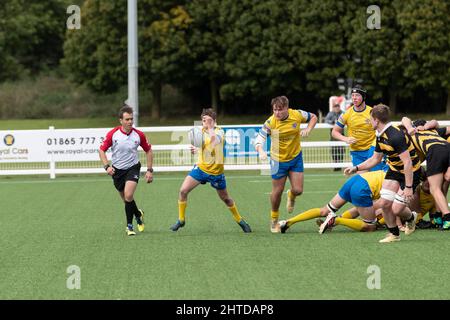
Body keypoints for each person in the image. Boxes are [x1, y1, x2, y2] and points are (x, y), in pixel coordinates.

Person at [344, 104, 420, 243]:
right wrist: (356, 168)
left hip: (411, 172)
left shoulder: (395, 136)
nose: (369, 122)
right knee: (385, 203)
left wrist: (408, 187)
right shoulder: (380, 135)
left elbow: (408, 163)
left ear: (376, 120)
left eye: (370, 119)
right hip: (394, 170)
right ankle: (394, 234)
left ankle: (411, 218)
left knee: (396, 209)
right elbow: (375, 158)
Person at [170, 108, 252, 233]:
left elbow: (214, 143)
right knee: (183, 191)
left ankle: (240, 220)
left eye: (209, 121)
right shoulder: (201, 132)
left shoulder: (220, 132)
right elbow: (205, 148)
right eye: (203, 120)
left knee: (226, 199)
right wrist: (196, 150)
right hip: (201, 169)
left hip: (216, 173)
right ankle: (181, 220)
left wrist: (210, 129)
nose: (205, 123)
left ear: (215, 122)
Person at [254, 96, 317, 233]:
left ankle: (291, 195)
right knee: (277, 192)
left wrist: (308, 129)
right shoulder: (271, 122)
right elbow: (259, 138)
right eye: (274, 110)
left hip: (295, 157)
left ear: (287, 108)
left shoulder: (297, 114)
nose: (277, 113)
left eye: (280, 110)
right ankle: (274, 219)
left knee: (298, 190)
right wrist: (260, 150)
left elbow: (313, 117)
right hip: (278, 160)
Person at [99, 105, 154, 236]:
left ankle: (129, 226)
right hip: (117, 171)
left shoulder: (138, 135)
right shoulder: (113, 134)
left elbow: (149, 151)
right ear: (121, 121)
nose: (130, 122)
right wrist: (107, 166)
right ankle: (138, 214)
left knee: (128, 195)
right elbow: (102, 150)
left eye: (131, 119)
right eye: (127, 119)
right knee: (126, 200)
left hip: (133, 168)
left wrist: (149, 170)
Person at [277, 170, 388, 234]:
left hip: (356, 180)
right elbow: (386, 207)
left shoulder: (391, 172)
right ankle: (336, 220)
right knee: (370, 226)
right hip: (363, 188)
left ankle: (288, 222)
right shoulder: (401, 186)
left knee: (325, 210)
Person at [401, 117, 450, 230]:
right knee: (444, 183)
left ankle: (447, 218)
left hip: (435, 151)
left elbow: (404, 118)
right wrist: (429, 125)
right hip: (448, 148)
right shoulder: (435, 131)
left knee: (434, 188)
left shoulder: (413, 133)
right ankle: (438, 216)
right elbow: (436, 122)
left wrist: (410, 128)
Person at [331, 85, 385, 171]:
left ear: (363, 97)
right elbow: (334, 132)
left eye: (357, 95)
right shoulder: (346, 114)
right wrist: (345, 139)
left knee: (376, 178)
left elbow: (382, 129)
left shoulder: (372, 112)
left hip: (372, 150)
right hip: (356, 152)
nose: (354, 98)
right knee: (362, 181)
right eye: (353, 95)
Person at [324, 103, 345, 171]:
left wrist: (339, 123)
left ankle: (340, 165)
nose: (337, 108)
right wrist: (332, 122)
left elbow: (346, 120)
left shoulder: (343, 113)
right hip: (333, 134)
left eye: (338, 107)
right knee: (334, 150)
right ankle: (335, 165)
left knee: (341, 150)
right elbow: (326, 120)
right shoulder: (331, 113)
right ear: (333, 108)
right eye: (335, 107)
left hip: (341, 133)